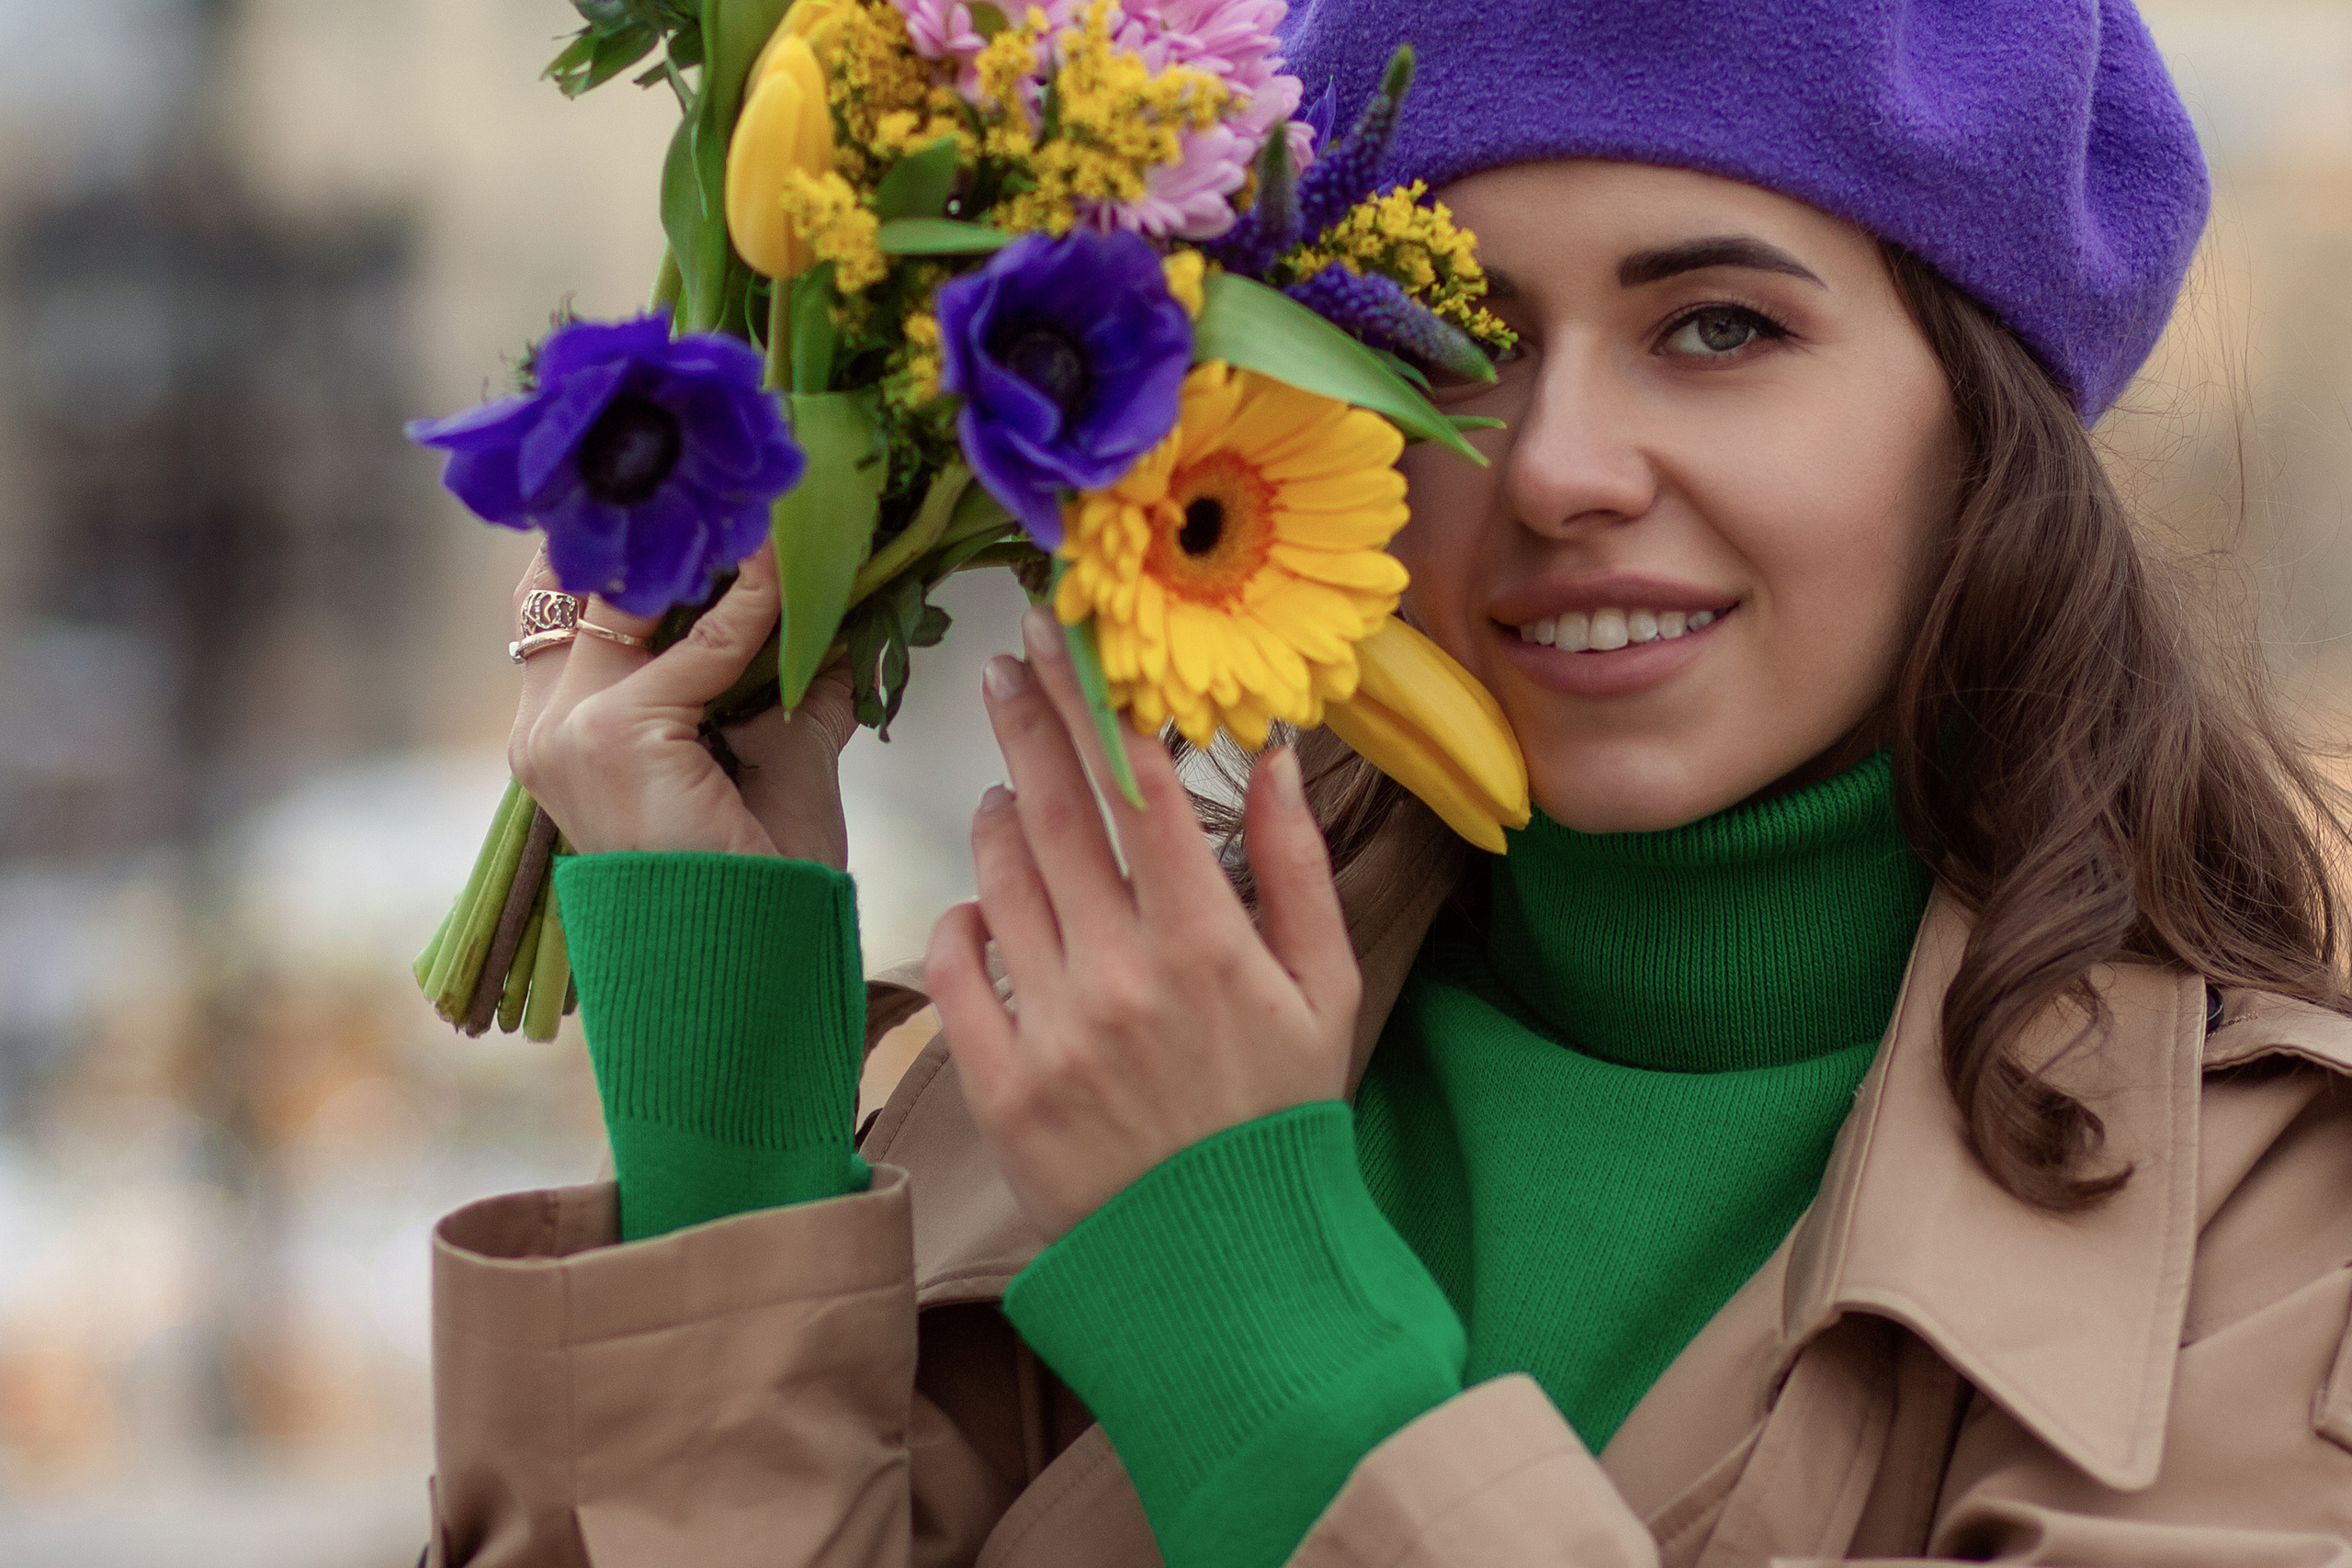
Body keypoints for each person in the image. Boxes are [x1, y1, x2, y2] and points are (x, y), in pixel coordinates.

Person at [421, 0, 2352, 1563]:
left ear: (1987, 428)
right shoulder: (1075, 1061)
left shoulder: (2274, 1254)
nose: (1558, 466)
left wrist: (1250, 1300)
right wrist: (731, 1084)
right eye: (1454, 340)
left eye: (1718, 328)